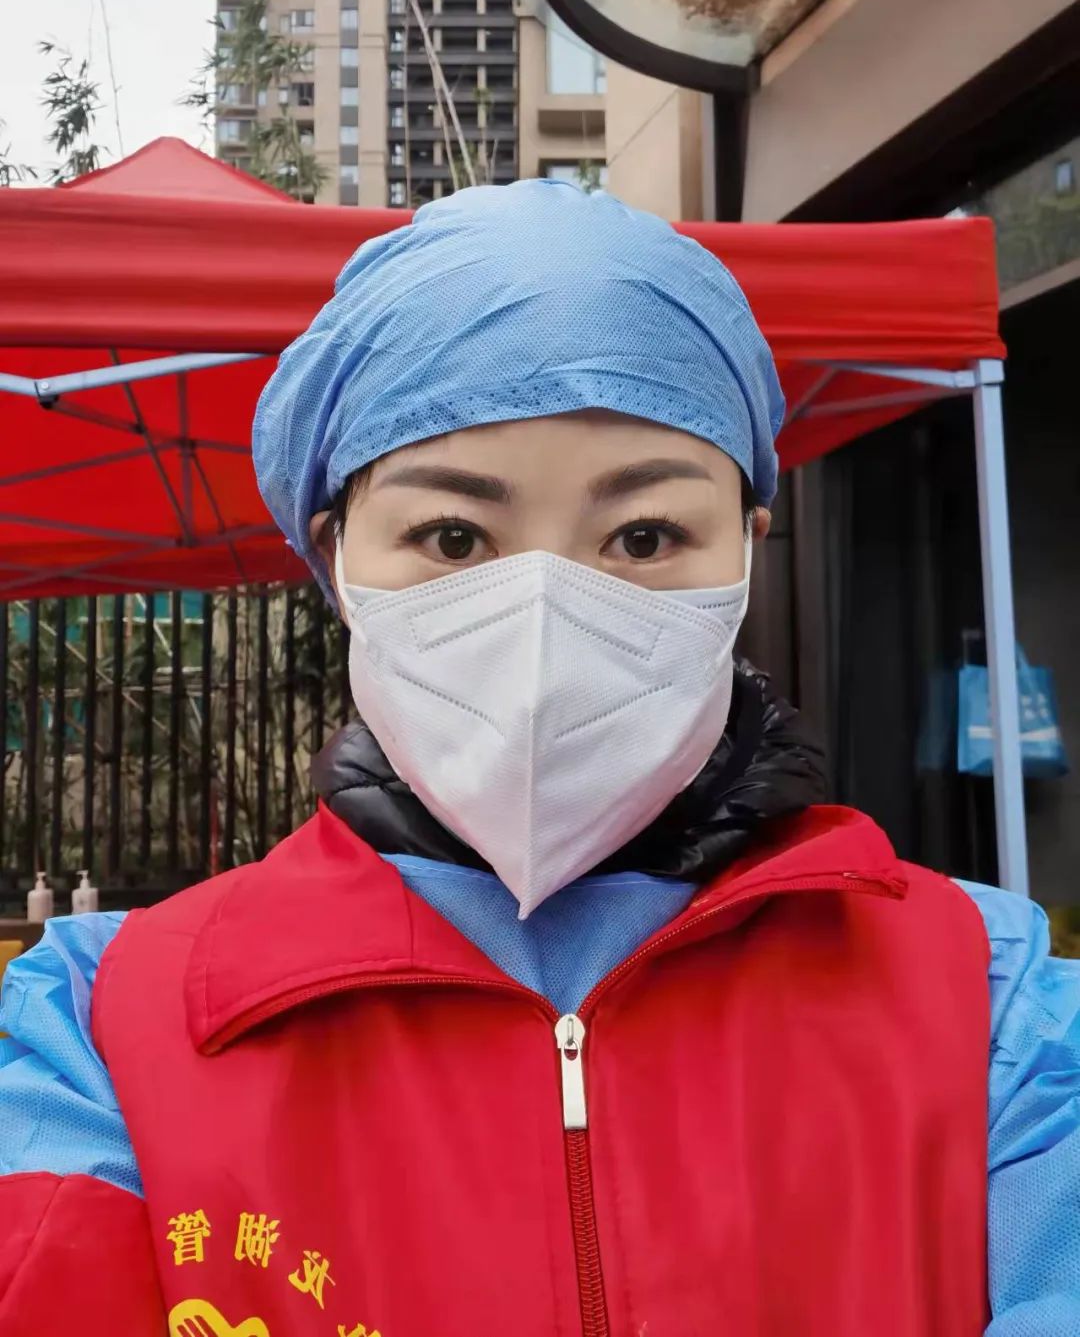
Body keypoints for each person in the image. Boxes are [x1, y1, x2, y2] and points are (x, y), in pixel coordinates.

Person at [1, 181, 1078, 1337]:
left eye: (646, 536)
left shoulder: (994, 1005)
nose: (546, 620)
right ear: (337, 562)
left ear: (747, 551)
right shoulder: (100, 1031)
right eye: (453, 536)